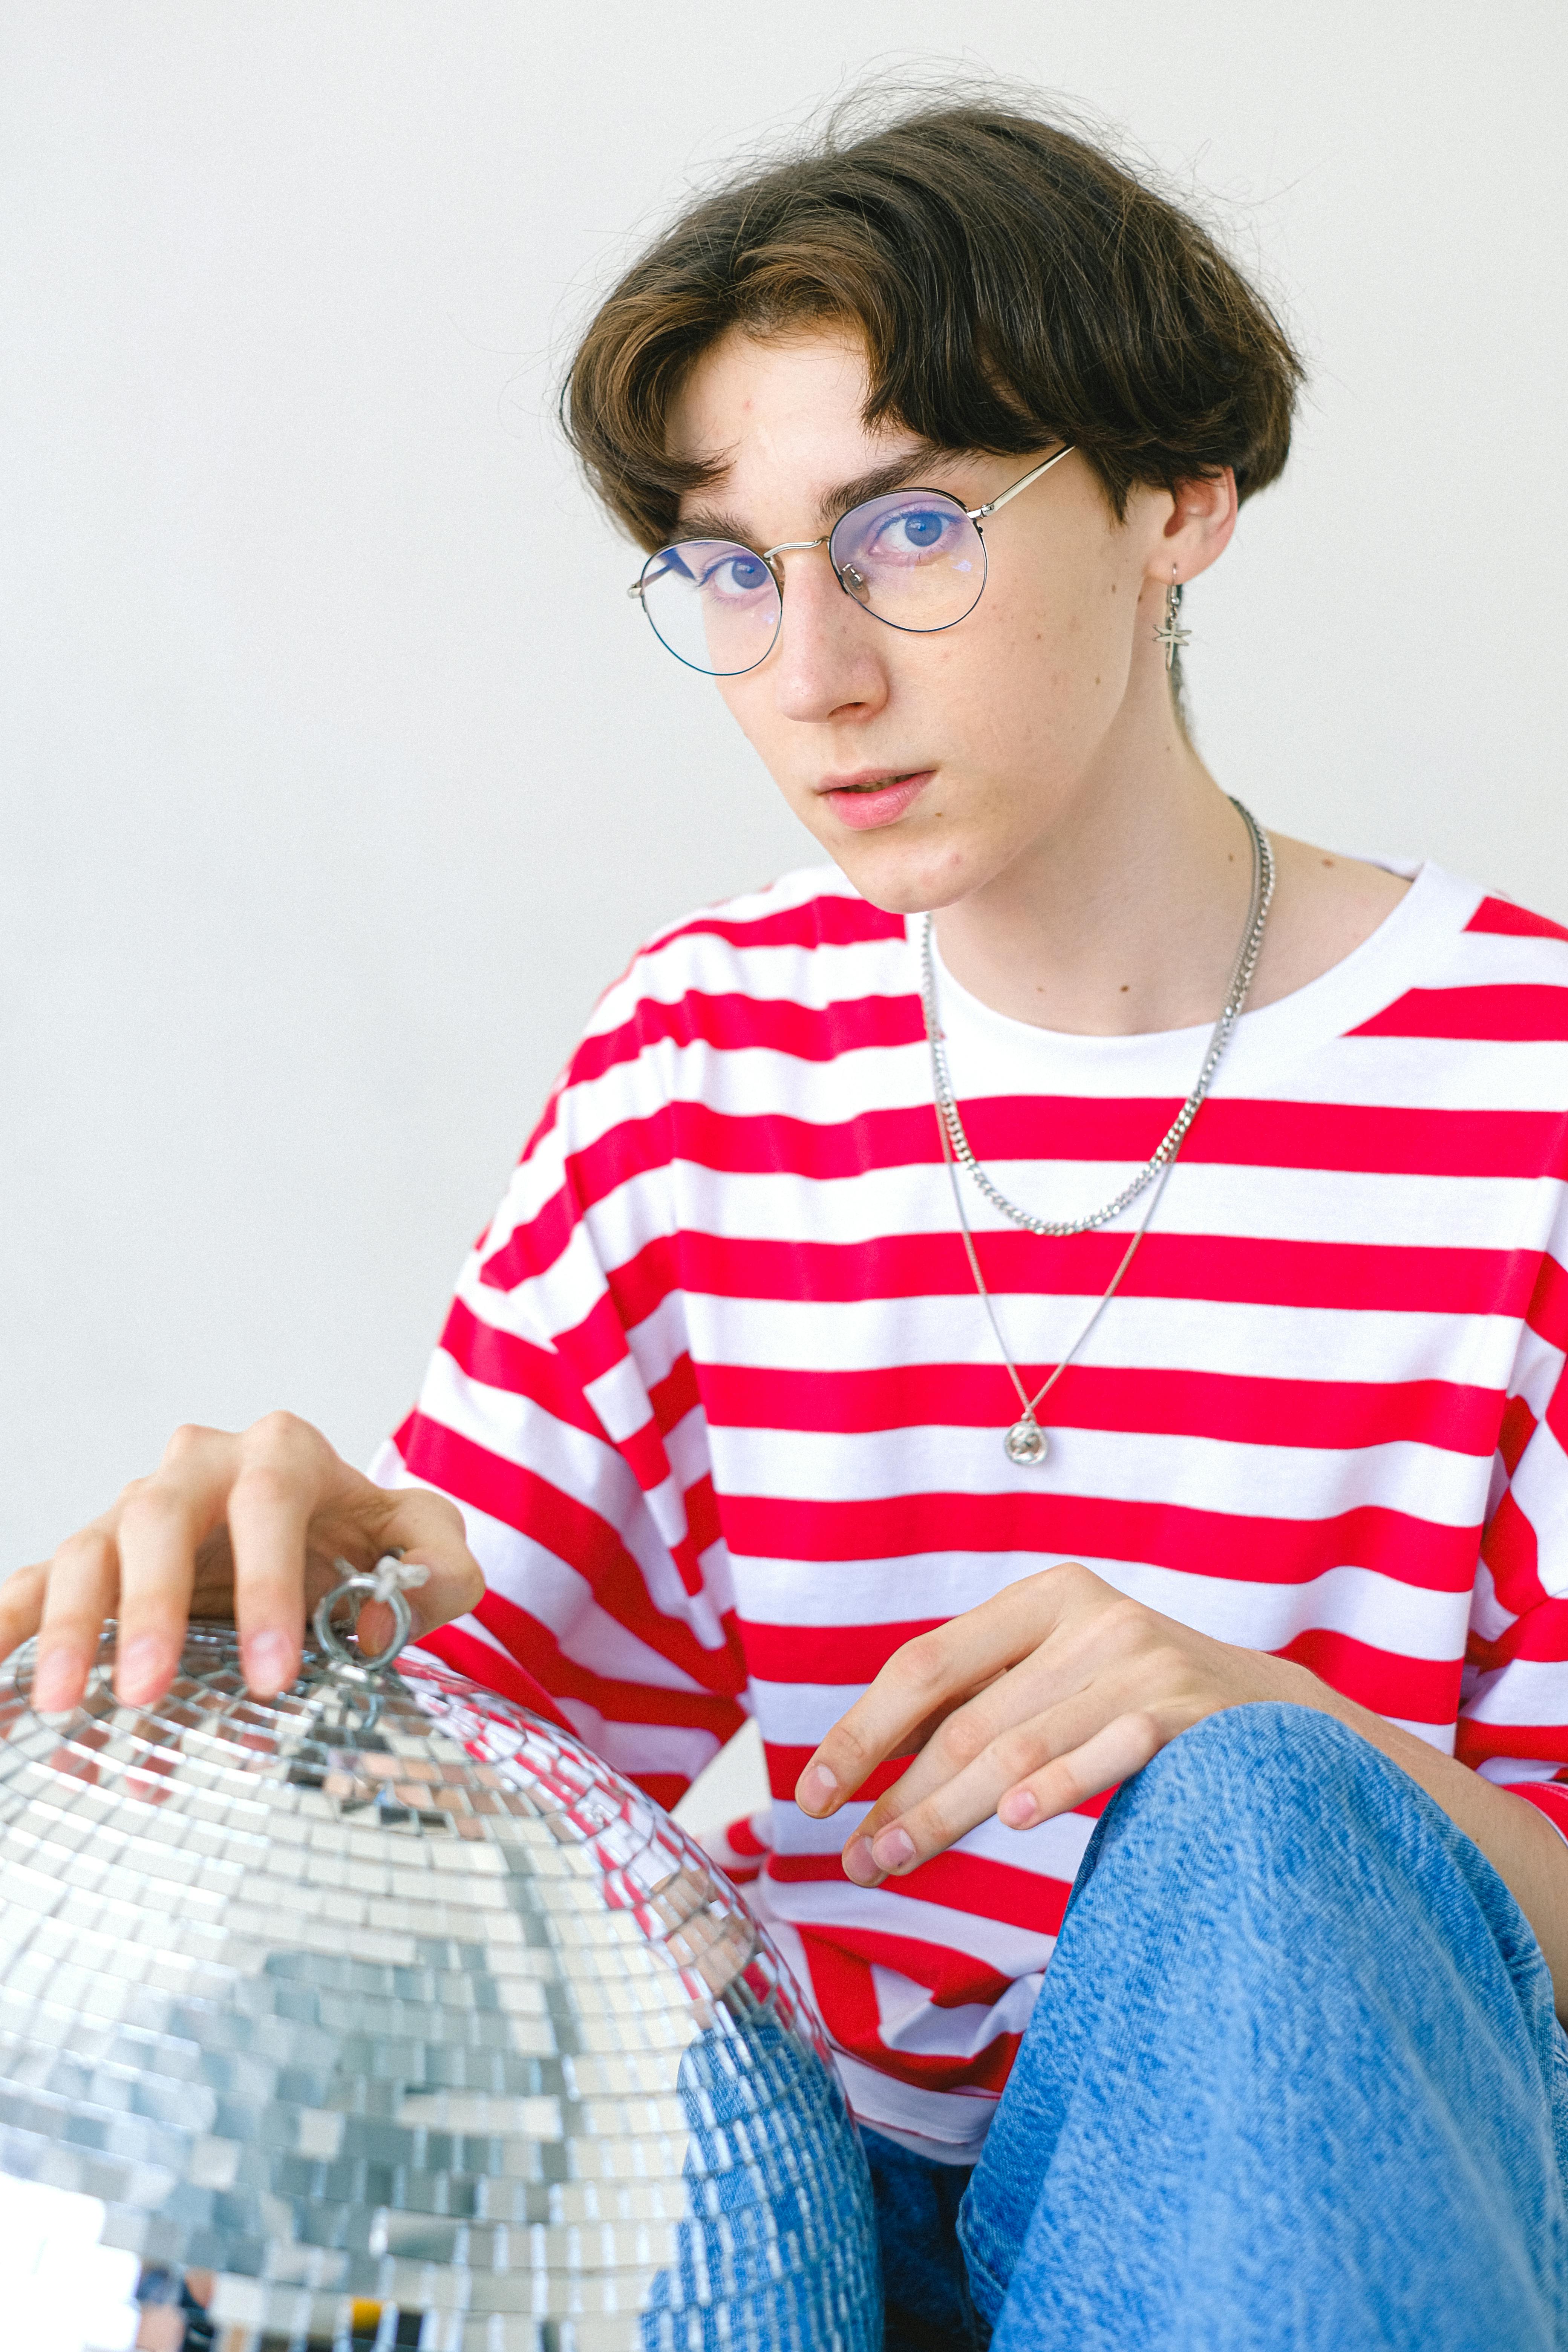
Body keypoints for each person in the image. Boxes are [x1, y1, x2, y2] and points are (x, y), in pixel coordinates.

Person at [9, 93, 1568, 2350]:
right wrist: (295, 1618)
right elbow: (505, 1792)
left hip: (1307, 2223)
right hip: (794, 2216)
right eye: (733, 567)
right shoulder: (702, 1059)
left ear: (1181, 502)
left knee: (1257, 1820)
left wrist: (1279, 1744)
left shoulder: (1526, 1081)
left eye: (909, 528)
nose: (812, 675)